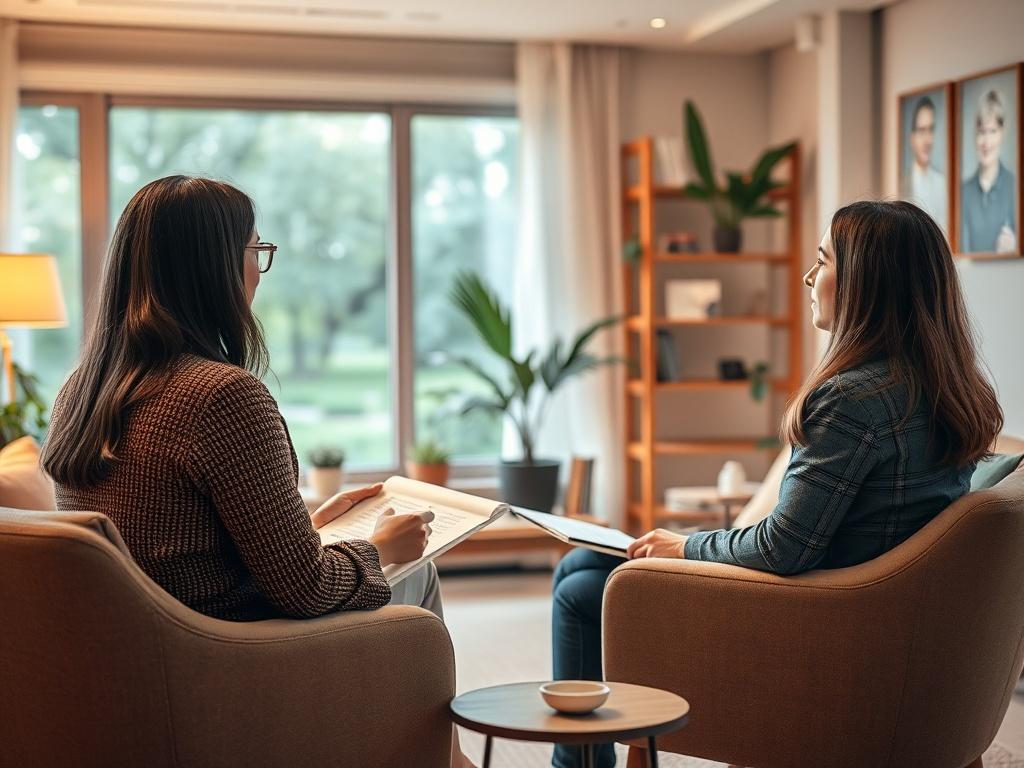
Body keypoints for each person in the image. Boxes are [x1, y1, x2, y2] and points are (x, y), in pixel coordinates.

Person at [549, 200, 1004, 768]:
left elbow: (782, 549)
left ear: (865, 281)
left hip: (811, 626)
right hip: (871, 613)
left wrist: (687, 547)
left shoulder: (851, 399)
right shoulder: (953, 390)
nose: (810, 277)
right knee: (582, 563)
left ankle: (576, 766)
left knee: (580, 590)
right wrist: (687, 545)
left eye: (822, 260)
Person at [42, 175, 474, 768]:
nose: (258, 270)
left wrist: (307, 524)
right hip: (228, 657)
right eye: (256, 251)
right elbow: (303, 590)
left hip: (146, 656)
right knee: (418, 575)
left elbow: (176, 540)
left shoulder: (83, 393)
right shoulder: (221, 396)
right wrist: (375, 547)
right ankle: (441, 760)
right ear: (216, 266)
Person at [961, 88, 1017, 253]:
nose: (986, 142)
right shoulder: (963, 192)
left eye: (992, 131)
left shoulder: (1016, 188)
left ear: (1002, 133)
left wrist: (1015, 247)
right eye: (981, 132)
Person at [903, 95, 948, 231]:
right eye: (922, 130)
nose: (928, 140)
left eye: (931, 130)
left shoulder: (943, 183)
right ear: (912, 138)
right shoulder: (902, 184)